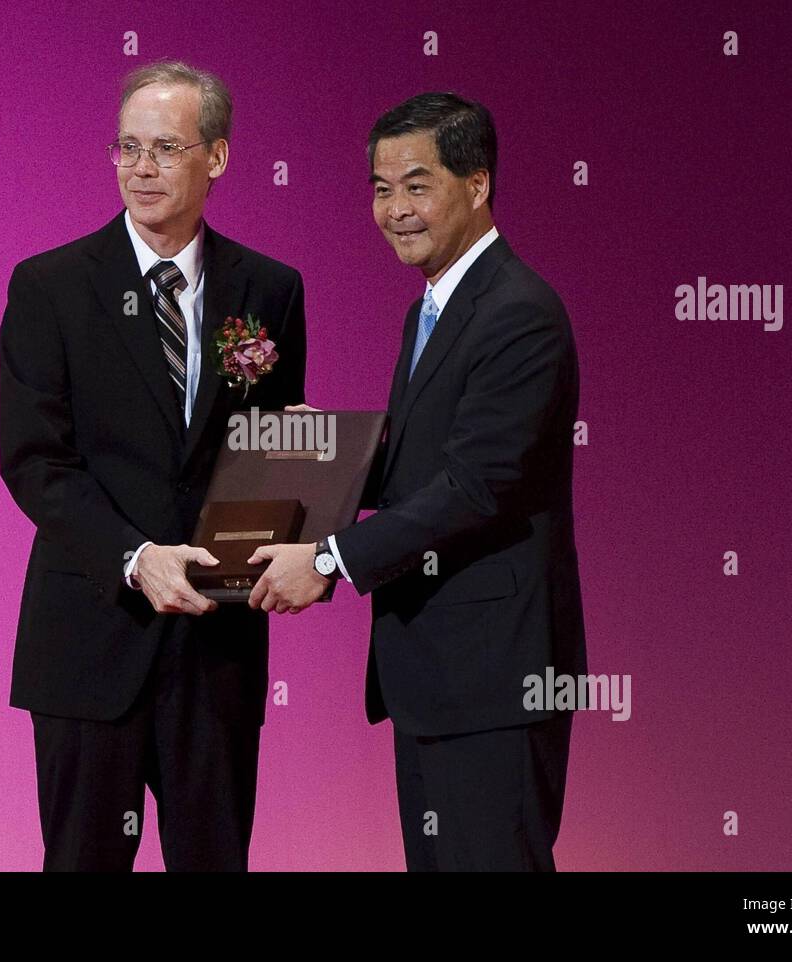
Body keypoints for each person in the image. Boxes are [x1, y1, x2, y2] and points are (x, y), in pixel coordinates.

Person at [247, 93, 585, 871]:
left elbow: (475, 486)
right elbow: (432, 460)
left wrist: (329, 559)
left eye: (417, 184)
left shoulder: (519, 314)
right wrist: (327, 455)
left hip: (498, 676)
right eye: (379, 187)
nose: (395, 209)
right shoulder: (434, 306)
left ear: (477, 184)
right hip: (437, 672)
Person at [0, 60, 306, 871]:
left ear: (219, 157)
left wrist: (307, 462)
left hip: (217, 648)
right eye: (127, 147)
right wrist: (136, 558)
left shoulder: (270, 289)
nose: (141, 167)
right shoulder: (51, 287)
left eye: (167, 148)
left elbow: (266, 455)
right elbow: (35, 462)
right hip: (92, 637)